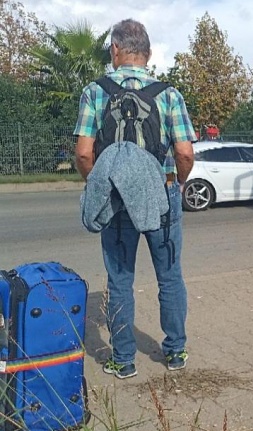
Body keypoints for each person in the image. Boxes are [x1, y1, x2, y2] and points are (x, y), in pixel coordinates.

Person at [74, 19, 196, 379]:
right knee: (170, 277)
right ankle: (174, 352)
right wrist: (176, 184)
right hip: (162, 197)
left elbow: (83, 154)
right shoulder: (169, 94)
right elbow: (185, 153)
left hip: (116, 202)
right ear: (148, 53)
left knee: (120, 280)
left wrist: (99, 185)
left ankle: (123, 360)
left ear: (115, 49)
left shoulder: (95, 91)